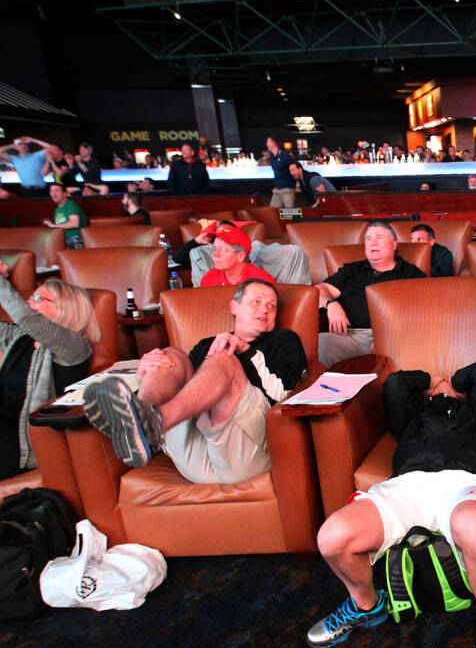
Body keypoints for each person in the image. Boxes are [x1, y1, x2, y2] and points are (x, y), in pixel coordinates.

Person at [306, 359, 476, 648]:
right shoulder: (412, 416)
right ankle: (367, 605)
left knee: (475, 529)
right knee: (331, 537)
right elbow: (396, 384)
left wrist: (454, 383)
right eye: (435, 390)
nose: (442, 390)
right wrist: (428, 382)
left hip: (463, 482)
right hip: (407, 486)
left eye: (450, 389)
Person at [83, 279, 306, 483]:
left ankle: (153, 423)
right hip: (194, 456)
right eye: (256, 301)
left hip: (243, 451)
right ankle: (141, 410)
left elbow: (282, 395)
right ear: (234, 307)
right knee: (171, 356)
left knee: (223, 359)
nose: (264, 309)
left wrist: (245, 351)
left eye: (272, 306)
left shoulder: (284, 340)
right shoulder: (206, 344)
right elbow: (182, 389)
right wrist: (145, 376)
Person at [0, 268, 99, 480]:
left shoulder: (74, 347)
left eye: (39, 298)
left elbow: (26, 318)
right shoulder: (19, 337)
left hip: (27, 443)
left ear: (66, 309)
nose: (29, 300)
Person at [316, 222, 426, 367]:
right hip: (352, 337)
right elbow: (320, 289)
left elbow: (425, 312)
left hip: (396, 337)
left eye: (379, 237)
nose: (372, 242)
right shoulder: (351, 270)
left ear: (394, 245)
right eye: (368, 239)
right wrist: (331, 304)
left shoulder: (412, 274)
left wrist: (387, 338)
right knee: (320, 343)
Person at [198, 226, 276, 287]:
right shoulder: (209, 278)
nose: (215, 254)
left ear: (241, 256)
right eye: (215, 248)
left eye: (222, 250)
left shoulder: (261, 280)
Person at [43, 183, 88, 249]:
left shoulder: (71, 205)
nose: (53, 193)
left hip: (76, 239)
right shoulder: (57, 210)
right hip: (63, 240)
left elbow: (74, 223)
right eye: (51, 191)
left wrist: (52, 226)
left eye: (57, 190)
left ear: (65, 193)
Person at [266, 136, 296, 208]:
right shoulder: (272, 157)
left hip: (287, 189)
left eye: (267, 142)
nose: (266, 144)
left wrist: (297, 183)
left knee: (290, 213)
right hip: (277, 189)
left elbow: (296, 168)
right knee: (272, 212)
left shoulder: (285, 156)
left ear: (272, 143)